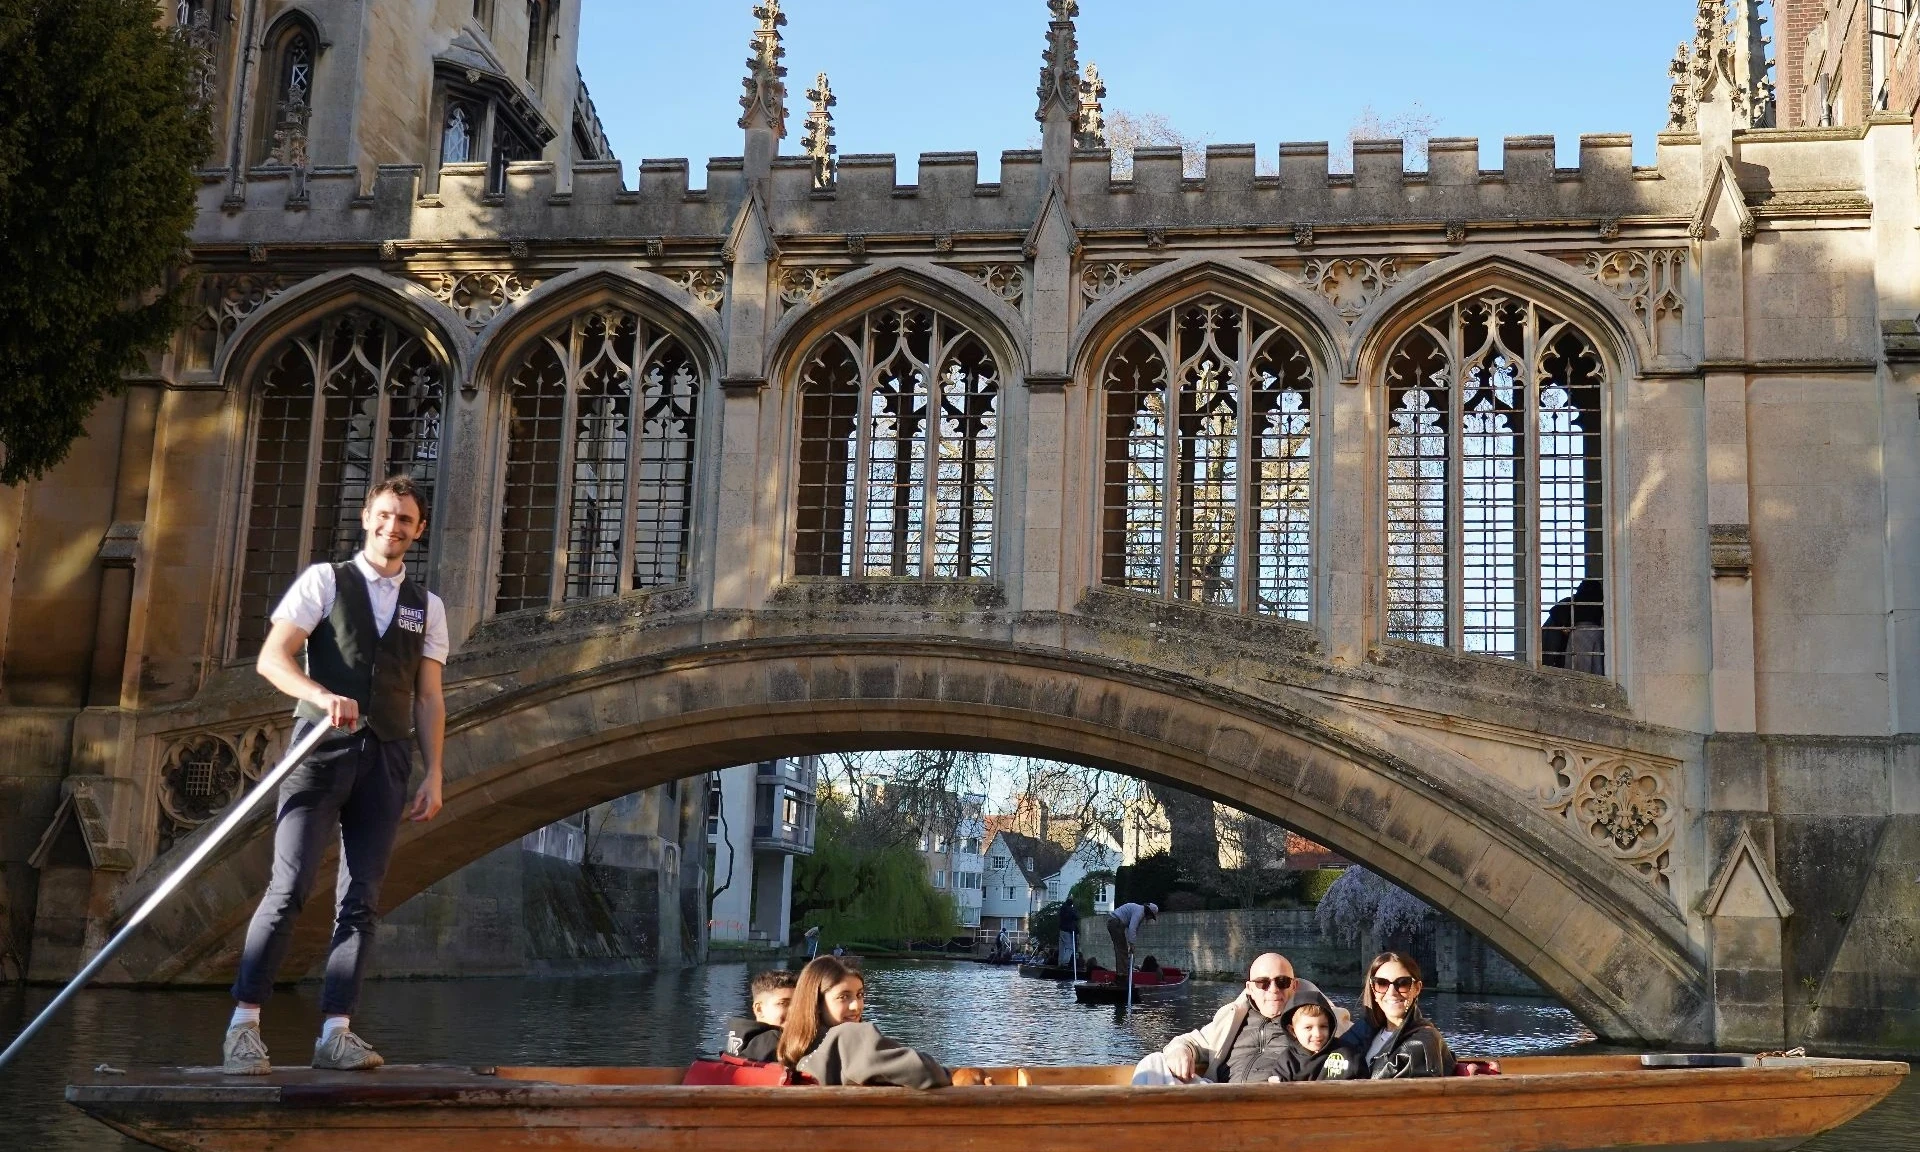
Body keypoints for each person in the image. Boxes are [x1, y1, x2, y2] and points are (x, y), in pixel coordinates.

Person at [222, 476, 449, 1075]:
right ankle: (244, 1026)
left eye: (404, 520)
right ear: (365, 518)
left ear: (418, 531)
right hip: (319, 753)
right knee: (290, 888)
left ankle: (336, 1032)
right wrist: (322, 696)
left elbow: (428, 698)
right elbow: (272, 659)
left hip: (388, 758)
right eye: (384, 515)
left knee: (362, 901)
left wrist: (436, 773)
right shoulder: (325, 581)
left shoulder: (427, 606)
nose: (392, 527)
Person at [1132, 952, 1345, 1084]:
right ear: (1250, 988)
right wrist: (1180, 1050)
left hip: (1278, 1103)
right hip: (1219, 1099)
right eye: (1263, 983)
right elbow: (1193, 1041)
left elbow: (1350, 1032)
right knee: (1154, 1062)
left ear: (1294, 985)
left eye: (1282, 982)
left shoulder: (1314, 1022)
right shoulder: (1232, 1017)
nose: (1273, 990)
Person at [777, 956, 950, 1087]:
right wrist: (947, 1073)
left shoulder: (794, 1048)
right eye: (843, 997)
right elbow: (925, 1072)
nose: (856, 1006)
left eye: (860, 995)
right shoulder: (848, 1035)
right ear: (816, 1003)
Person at [1360, 951, 1452, 1079]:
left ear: (1417, 989)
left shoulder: (1421, 1044)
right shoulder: (1366, 1033)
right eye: (1381, 983)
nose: (1391, 992)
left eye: (1403, 983)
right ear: (1373, 989)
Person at [1248, 983, 1364, 1082]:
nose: (1317, 1033)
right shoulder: (1287, 1061)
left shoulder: (1349, 1054)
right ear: (1292, 1030)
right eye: (1308, 1027)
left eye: (1323, 1026)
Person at [724, 969, 797, 1062]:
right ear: (759, 1009)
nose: (794, 1010)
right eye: (783, 1003)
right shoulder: (774, 1042)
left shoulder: (737, 1039)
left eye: (797, 1004)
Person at [1105, 900, 1157, 972]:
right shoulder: (1139, 912)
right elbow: (1132, 928)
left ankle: (1123, 971)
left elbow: (1135, 930)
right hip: (1115, 922)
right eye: (1151, 916)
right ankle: (1122, 974)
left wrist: (1131, 944)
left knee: (1121, 949)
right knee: (1121, 950)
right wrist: (1132, 944)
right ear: (1149, 912)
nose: (1150, 918)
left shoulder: (1139, 911)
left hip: (1115, 922)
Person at [1057, 897, 1080, 971]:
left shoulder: (1062, 909)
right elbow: (1077, 917)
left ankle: (1060, 963)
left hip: (1061, 930)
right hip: (1068, 931)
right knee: (1070, 947)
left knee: (1062, 947)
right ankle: (1065, 963)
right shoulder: (1071, 910)